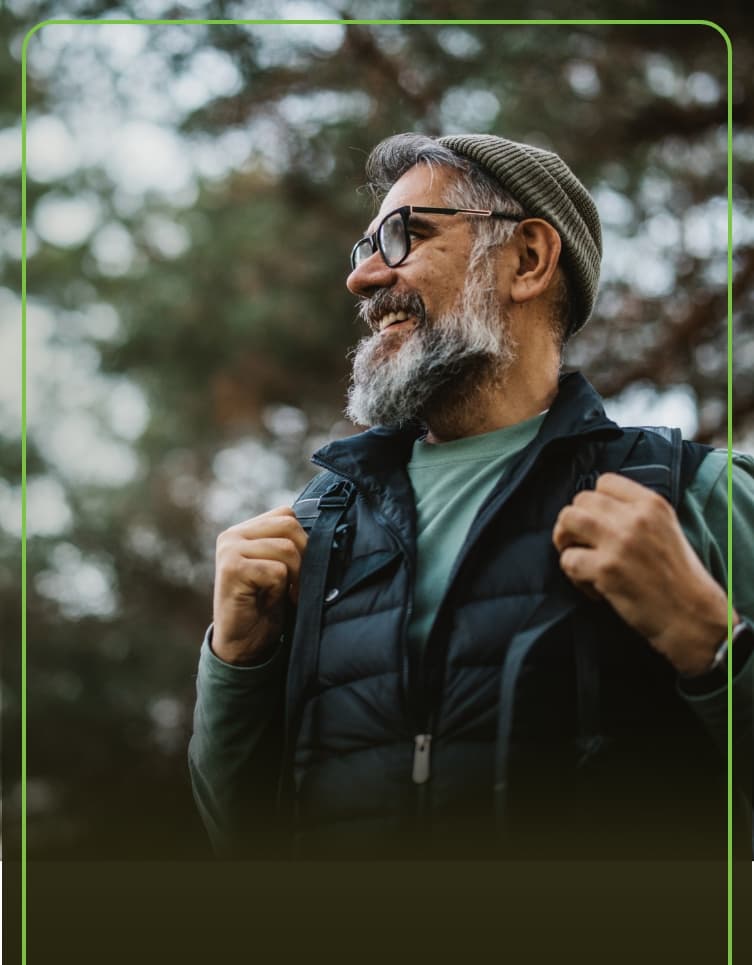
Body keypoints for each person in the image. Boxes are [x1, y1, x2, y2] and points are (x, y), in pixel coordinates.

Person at [189, 132, 753, 860]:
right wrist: (234, 664)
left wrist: (715, 645)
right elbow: (238, 842)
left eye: (405, 235)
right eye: (363, 249)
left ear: (528, 259)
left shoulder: (692, 496)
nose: (362, 279)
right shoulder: (315, 529)